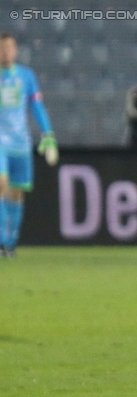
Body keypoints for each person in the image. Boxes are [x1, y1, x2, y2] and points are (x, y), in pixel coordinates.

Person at [0, 33, 58, 258]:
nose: (5, 52)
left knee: (16, 194)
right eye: (2, 48)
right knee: (1, 183)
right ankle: (1, 240)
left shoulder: (27, 76)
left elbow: (37, 107)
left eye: (9, 48)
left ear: (15, 51)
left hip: (21, 143)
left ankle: (10, 242)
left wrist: (48, 133)